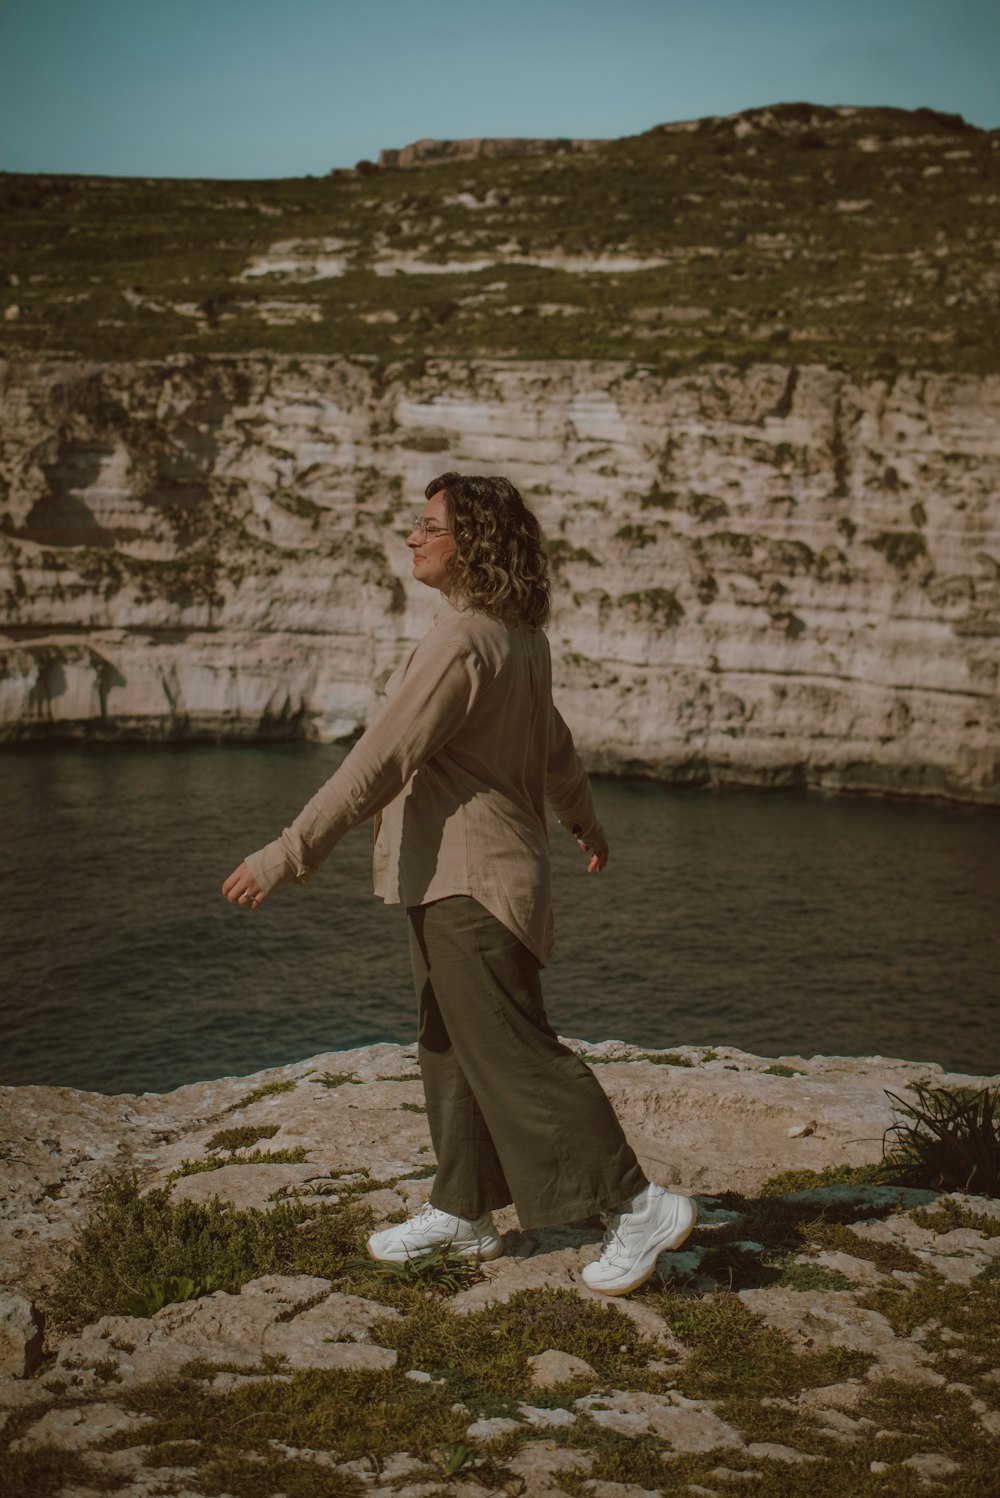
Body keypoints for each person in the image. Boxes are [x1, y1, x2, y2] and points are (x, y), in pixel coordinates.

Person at [222, 472, 696, 1294]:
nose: (412, 536)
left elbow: (380, 761)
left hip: (468, 885)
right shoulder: (519, 639)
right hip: (468, 878)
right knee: (448, 1047)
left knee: (516, 1056)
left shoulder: (461, 641)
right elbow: (555, 745)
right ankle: (464, 1211)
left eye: (430, 525)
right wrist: (585, 820)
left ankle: (636, 1204)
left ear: (472, 543)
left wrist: (287, 854)